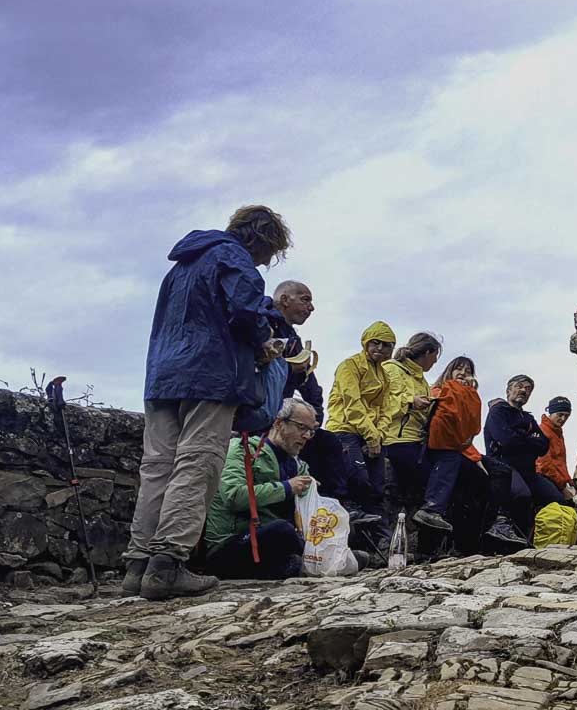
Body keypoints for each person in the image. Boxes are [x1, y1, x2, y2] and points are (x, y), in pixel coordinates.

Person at [126, 204, 291, 601]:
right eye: (270, 252)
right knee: (198, 462)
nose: (267, 261)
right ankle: (167, 565)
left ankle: (138, 564)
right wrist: (263, 344)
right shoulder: (234, 259)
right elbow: (246, 313)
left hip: (164, 374)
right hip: (210, 375)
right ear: (261, 238)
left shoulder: (183, 264)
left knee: (158, 467)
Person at [415, 357, 527, 550]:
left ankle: (499, 523)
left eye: (467, 371)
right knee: (475, 480)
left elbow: (471, 429)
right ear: (449, 371)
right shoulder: (439, 390)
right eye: (459, 369)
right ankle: (440, 522)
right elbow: (448, 424)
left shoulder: (469, 394)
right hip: (443, 447)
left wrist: (467, 391)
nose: (463, 373)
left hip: (462, 448)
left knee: (500, 471)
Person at [202, 398, 316, 580]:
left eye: (311, 431)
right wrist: (287, 487)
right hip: (232, 542)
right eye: (302, 428)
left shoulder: (300, 466)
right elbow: (234, 496)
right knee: (282, 531)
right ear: (279, 423)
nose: (307, 436)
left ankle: (293, 564)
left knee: (337, 526)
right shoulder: (241, 449)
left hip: (268, 541)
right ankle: (318, 562)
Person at [303, 321, 396, 525]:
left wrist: (377, 435)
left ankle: (381, 536)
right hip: (344, 429)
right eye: (375, 343)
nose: (380, 348)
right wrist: (372, 437)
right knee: (357, 479)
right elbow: (352, 404)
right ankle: (348, 521)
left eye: (386, 344)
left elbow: (387, 408)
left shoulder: (384, 375)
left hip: (373, 435)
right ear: (366, 343)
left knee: (377, 487)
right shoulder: (349, 366)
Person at [484, 375, 563, 540]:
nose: (523, 391)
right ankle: (507, 533)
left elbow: (543, 445)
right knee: (522, 495)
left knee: (556, 499)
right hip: (504, 467)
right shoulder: (498, 412)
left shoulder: (528, 418)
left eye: (528, 389)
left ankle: (538, 538)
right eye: (519, 386)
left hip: (529, 471)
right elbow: (505, 440)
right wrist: (529, 439)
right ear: (508, 390)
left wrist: (521, 438)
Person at [381, 332, 443, 516]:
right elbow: (382, 402)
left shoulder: (423, 381)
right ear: (427, 352)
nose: (435, 362)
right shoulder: (392, 369)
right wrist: (410, 401)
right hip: (394, 438)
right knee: (429, 478)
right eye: (435, 356)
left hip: (416, 439)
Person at [537, 396, 577, 545]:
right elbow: (544, 464)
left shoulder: (557, 432)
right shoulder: (543, 431)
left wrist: (569, 483)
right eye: (559, 414)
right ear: (550, 412)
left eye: (566, 416)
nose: (563, 418)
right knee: (565, 504)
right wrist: (563, 487)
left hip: (558, 479)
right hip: (545, 478)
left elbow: (561, 463)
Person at [272, 281, 324, 420]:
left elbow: (310, 386)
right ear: (285, 300)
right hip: (247, 413)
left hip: (277, 416)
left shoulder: (294, 341)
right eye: (305, 300)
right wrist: (289, 368)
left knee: (326, 440)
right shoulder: (259, 326)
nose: (311, 308)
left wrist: (315, 420)